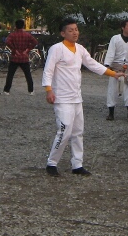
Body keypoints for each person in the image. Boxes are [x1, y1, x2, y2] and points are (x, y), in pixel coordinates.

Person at [42, 18, 122, 176]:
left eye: (76, 29)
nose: (75, 33)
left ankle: (77, 164)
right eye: (70, 30)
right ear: (63, 33)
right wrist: (48, 90)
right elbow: (48, 70)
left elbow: (92, 64)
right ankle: (52, 162)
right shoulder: (57, 49)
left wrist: (112, 73)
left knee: (78, 132)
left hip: (76, 97)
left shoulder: (80, 49)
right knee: (64, 131)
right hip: (62, 97)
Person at [104, 19, 128, 122]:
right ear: (123, 27)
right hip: (116, 68)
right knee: (112, 90)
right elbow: (111, 52)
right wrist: (107, 65)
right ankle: (111, 113)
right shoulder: (115, 39)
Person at [2, 19, 38, 95]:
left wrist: (14, 50)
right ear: (23, 26)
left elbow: (7, 41)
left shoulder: (12, 35)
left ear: (15, 26)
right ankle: (31, 90)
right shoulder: (27, 35)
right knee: (28, 74)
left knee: (10, 74)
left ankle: (6, 90)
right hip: (24, 57)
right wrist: (27, 49)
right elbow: (35, 42)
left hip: (15, 57)